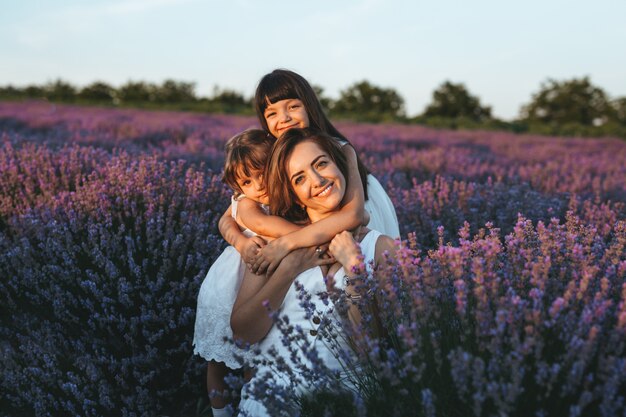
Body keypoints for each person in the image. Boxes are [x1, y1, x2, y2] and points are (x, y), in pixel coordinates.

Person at [231, 128, 397, 416]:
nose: (317, 180)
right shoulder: (274, 245)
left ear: (339, 164)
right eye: (299, 178)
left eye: (321, 163)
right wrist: (288, 270)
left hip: (345, 404)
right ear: (293, 195)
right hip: (271, 402)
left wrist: (356, 270)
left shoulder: (381, 248)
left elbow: (370, 352)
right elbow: (243, 333)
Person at [192, 129, 332, 417]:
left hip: (256, 280)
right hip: (228, 289)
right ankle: (218, 412)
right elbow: (271, 228)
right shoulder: (247, 203)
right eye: (246, 181)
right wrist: (315, 235)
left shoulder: (284, 195)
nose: (258, 184)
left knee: (254, 357)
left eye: (263, 172)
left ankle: (249, 404)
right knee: (217, 361)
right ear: (237, 186)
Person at [218, 68, 400, 276]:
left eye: (293, 106)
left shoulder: (339, 149)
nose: (284, 118)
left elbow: (354, 215)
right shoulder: (272, 155)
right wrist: (241, 243)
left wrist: (286, 243)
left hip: (341, 233)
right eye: (272, 114)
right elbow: (229, 216)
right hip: (312, 241)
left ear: (310, 106)